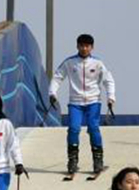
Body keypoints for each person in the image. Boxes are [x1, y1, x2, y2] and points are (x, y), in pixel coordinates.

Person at [49, 33, 116, 176]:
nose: (84, 48)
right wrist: (52, 93)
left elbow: (108, 80)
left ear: (92, 47)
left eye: (87, 46)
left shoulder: (98, 63)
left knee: (93, 128)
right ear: (77, 46)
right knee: (73, 129)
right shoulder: (70, 62)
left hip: (93, 101)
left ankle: (98, 160)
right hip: (75, 103)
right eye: (81, 46)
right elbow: (57, 77)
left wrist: (111, 97)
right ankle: (72, 160)